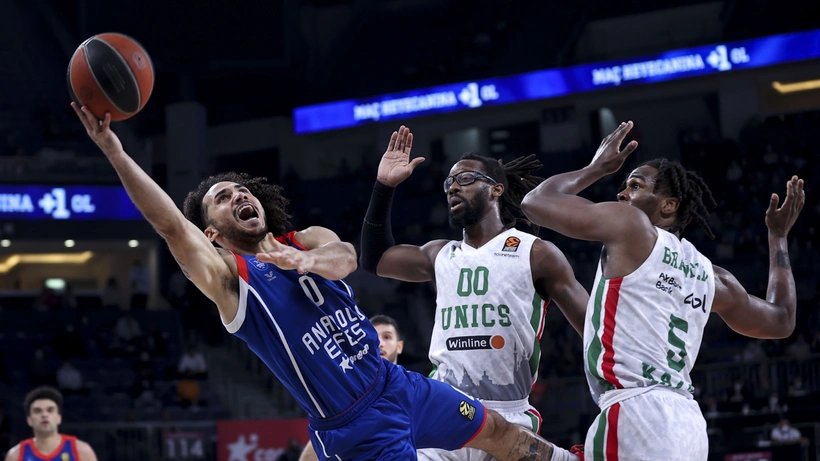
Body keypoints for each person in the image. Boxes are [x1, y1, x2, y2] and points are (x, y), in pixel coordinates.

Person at [72, 103, 561, 461]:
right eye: (223, 198)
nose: (238, 195)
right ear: (213, 234)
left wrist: (304, 260)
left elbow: (346, 257)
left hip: (397, 384)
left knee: (498, 432)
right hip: (355, 426)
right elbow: (171, 227)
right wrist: (116, 151)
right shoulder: (231, 282)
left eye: (241, 190)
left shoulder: (305, 239)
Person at [520, 121, 805, 460]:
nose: (622, 194)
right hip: (687, 423)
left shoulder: (631, 226)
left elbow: (535, 202)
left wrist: (596, 168)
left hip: (636, 412)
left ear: (668, 206)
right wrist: (778, 238)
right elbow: (781, 320)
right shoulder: (713, 277)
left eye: (635, 185)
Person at [359, 126, 590, 461]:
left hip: (509, 414)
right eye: (449, 183)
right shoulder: (439, 254)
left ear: (495, 189)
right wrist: (384, 186)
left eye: (465, 179)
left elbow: (595, 331)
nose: (453, 187)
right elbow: (375, 259)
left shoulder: (536, 253)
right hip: (445, 408)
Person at [300, 314, 406, 461]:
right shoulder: (348, 394)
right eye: (374, 336)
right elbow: (318, 448)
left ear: (399, 346)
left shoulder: (414, 390)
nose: (380, 343)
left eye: (387, 337)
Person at [3, 386, 98, 461]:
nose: (44, 415)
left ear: (59, 418)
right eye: (37, 411)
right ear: (29, 420)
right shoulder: (15, 455)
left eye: (50, 410)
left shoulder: (81, 451)